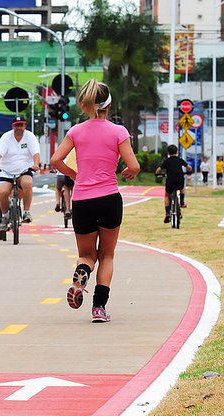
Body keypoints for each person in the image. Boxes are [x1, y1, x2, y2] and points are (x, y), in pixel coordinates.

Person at [51, 79, 140, 323]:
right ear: (109, 104)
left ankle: (81, 274)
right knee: (107, 255)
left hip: (83, 200)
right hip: (109, 198)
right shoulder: (118, 132)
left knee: (87, 255)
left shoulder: (76, 131)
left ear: (87, 104)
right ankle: (99, 308)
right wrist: (129, 172)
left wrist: (74, 175)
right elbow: (133, 165)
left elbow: (56, 159)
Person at [0, 116, 40, 232]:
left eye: (21, 125)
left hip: (24, 170)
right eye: (16, 125)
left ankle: (27, 212)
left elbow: (36, 153)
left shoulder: (30, 137)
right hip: (6, 171)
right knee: (3, 192)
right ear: (12, 126)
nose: (19, 128)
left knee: (28, 183)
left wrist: (36, 164)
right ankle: (5, 216)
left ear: (25, 126)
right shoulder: (6, 137)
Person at [155, 145, 192, 223]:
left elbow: (158, 170)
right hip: (179, 180)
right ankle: (182, 202)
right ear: (177, 151)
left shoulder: (167, 161)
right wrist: (187, 171)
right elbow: (189, 168)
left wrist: (158, 173)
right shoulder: (180, 160)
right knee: (182, 188)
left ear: (168, 152)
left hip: (170, 181)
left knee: (166, 196)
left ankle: (168, 213)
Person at [54, 148, 76, 221]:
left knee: (61, 188)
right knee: (73, 187)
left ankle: (65, 207)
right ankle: (74, 205)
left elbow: (55, 160)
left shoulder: (65, 151)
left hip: (65, 171)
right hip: (75, 169)